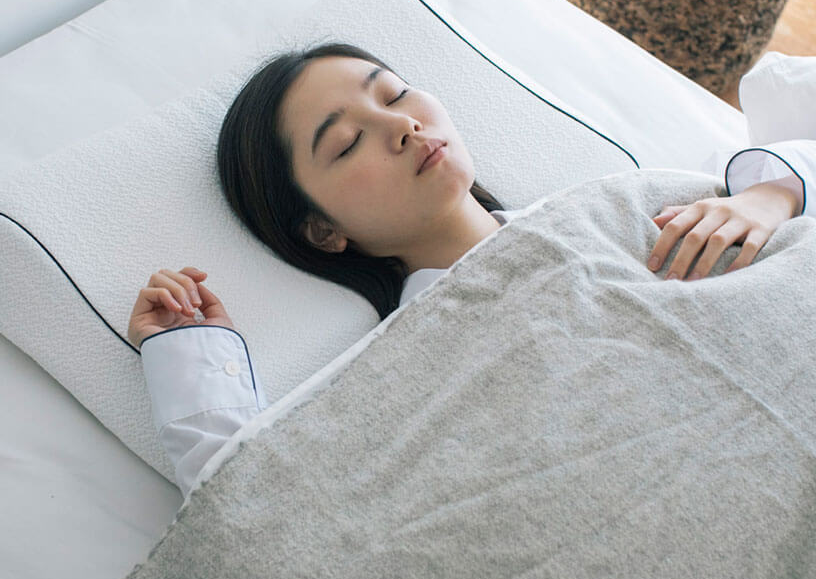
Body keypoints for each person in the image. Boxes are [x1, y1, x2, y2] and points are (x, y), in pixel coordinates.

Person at [129, 43, 816, 497]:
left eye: (394, 94)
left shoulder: (614, 208)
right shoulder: (397, 368)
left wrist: (773, 194)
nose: (401, 126)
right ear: (323, 232)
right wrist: (190, 355)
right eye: (347, 142)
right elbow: (252, 503)